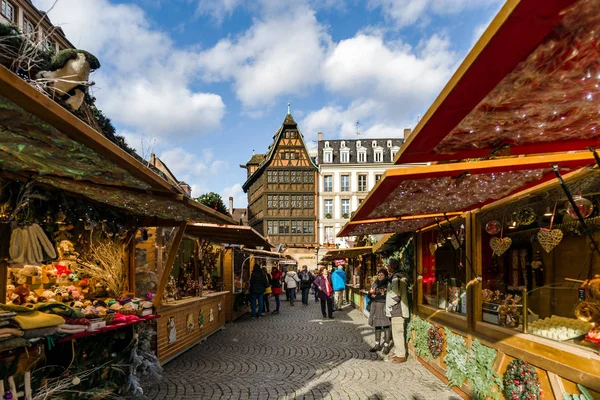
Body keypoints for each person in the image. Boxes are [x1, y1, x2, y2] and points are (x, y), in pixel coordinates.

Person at [385, 258, 410, 363]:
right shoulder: (397, 276)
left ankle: (401, 355)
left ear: (392, 266)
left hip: (397, 309)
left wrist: (389, 304)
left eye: (388, 265)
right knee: (395, 332)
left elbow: (396, 295)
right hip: (395, 309)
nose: (387, 267)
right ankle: (397, 351)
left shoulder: (397, 278)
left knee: (398, 331)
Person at [368, 269, 392, 353]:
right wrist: (370, 293)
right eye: (378, 275)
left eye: (381, 275)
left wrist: (378, 296)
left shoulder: (388, 284)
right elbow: (370, 296)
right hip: (375, 306)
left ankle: (386, 345)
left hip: (384, 307)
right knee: (377, 326)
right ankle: (377, 345)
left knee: (386, 326)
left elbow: (388, 297)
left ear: (385, 275)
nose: (380, 276)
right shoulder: (375, 283)